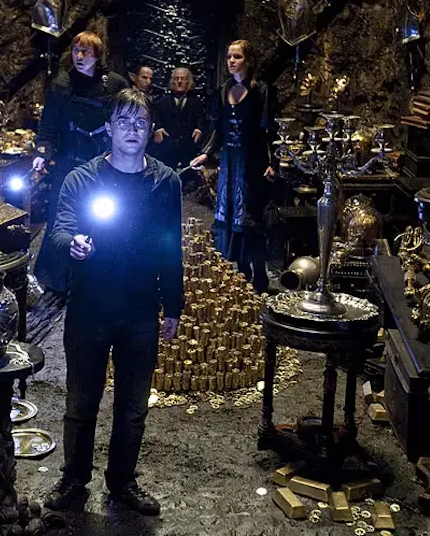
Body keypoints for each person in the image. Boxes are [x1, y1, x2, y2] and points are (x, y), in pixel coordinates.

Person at [44, 89, 183, 516]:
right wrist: (73, 243)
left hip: (140, 308)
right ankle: (74, 479)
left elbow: (171, 246)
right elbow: (59, 228)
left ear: (151, 129)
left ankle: (123, 481)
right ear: (108, 127)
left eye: (140, 122)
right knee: (81, 402)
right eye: (123, 121)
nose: (132, 130)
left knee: (133, 406)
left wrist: (173, 305)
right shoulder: (82, 179)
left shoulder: (165, 182)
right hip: (90, 306)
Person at [33, 31, 129, 292]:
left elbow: (125, 121)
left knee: (106, 218)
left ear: (97, 56)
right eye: (76, 50)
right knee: (61, 218)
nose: (79, 56)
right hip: (69, 163)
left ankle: (105, 278)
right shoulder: (61, 84)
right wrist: (42, 152)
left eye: (85, 51)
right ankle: (57, 281)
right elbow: (49, 124)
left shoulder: (116, 85)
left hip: (103, 165)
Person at [191, 40, 277, 293]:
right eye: (229, 56)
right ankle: (241, 273)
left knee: (252, 219)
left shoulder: (262, 91)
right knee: (231, 217)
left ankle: (259, 276)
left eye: (237, 57)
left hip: (253, 163)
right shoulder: (222, 91)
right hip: (230, 163)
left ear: (247, 61)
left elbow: (270, 131)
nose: (231, 60)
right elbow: (217, 130)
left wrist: (273, 163)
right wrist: (206, 153)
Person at [148, 67, 206, 174]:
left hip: (188, 151)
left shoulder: (197, 104)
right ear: (172, 82)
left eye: (183, 79)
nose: (179, 81)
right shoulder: (161, 103)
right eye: (176, 78)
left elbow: (202, 119)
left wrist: (199, 129)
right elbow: (154, 117)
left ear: (188, 82)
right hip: (167, 151)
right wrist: (158, 129)